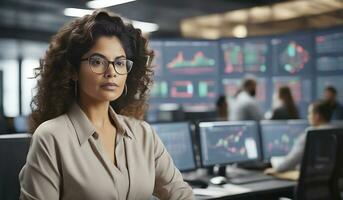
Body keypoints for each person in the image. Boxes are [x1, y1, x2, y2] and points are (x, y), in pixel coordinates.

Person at [19, 10, 194, 200]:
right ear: (73, 71)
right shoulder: (52, 137)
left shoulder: (142, 134)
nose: (111, 72)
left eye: (119, 63)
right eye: (97, 61)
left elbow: (178, 190)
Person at [268, 100, 333, 173]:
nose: (308, 116)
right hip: (331, 179)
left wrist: (276, 169)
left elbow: (292, 160)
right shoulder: (337, 134)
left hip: (310, 179)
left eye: (309, 113)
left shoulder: (310, 135)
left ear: (317, 116)